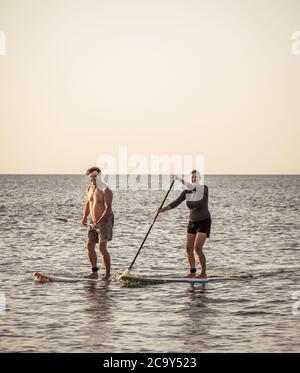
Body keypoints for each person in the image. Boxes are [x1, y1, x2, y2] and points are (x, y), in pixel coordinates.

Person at [158, 170, 211, 279]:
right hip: (192, 222)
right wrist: (162, 210)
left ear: (199, 179)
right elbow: (175, 203)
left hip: (204, 221)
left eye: (195, 177)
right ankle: (192, 272)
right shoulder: (186, 193)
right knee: (188, 249)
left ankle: (204, 273)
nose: (193, 179)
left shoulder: (204, 189)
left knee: (197, 248)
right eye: (192, 177)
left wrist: (179, 179)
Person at [81, 167, 114, 281]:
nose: (93, 178)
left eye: (95, 176)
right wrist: (85, 217)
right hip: (93, 221)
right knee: (90, 245)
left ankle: (107, 275)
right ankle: (94, 273)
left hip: (105, 221)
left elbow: (108, 209)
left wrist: (99, 221)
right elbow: (88, 204)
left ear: (99, 176)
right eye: (91, 176)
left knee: (102, 247)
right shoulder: (89, 189)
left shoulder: (106, 190)